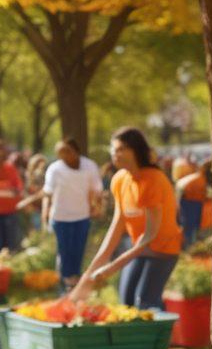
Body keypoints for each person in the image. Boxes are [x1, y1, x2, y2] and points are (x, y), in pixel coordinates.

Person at [70, 127, 181, 309]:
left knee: (144, 301)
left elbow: (150, 236)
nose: (115, 153)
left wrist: (111, 267)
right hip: (139, 249)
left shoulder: (153, 180)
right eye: (113, 149)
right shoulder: (119, 180)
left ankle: (158, 336)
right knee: (126, 301)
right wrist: (89, 275)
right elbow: (117, 225)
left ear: (136, 150)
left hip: (163, 249)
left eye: (121, 149)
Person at [36, 139, 102, 290]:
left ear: (76, 151)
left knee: (78, 249)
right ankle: (66, 283)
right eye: (60, 153)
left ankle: (75, 281)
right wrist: (45, 214)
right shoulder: (55, 169)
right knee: (65, 250)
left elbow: (95, 189)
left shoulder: (89, 166)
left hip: (82, 215)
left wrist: (96, 206)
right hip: (60, 217)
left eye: (67, 151)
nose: (64, 156)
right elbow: (48, 193)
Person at [177, 159, 212, 249]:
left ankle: (189, 245)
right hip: (190, 202)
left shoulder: (197, 177)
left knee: (191, 226)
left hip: (191, 201)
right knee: (189, 226)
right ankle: (187, 246)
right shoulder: (199, 179)